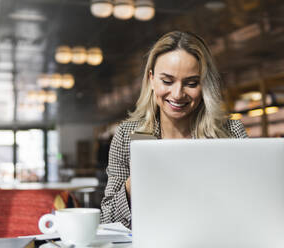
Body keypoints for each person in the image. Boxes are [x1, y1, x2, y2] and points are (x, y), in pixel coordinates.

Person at [100, 31, 247, 228]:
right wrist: (133, 183)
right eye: (167, 81)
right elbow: (108, 220)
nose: (177, 94)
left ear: (204, 84)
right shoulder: (128, 136)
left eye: (191, 83)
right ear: (152, 79)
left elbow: (250, 205)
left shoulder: (230, 133)